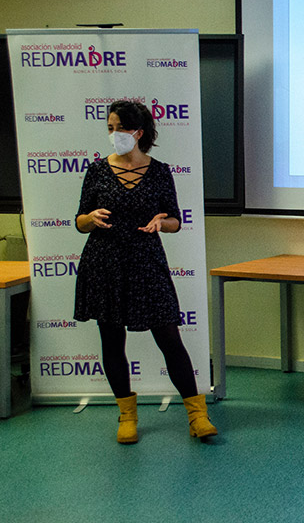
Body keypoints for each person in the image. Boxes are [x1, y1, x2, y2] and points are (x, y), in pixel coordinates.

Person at [74, 100, 217, 444]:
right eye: (109, 128)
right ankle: (127, 416)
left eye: (119, 128)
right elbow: (79, 220)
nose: (113, 134)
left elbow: (175, 221)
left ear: (138, 132)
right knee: (112, 338)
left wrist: (161, 222)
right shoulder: (95, 171)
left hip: (147, 263)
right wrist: (89, 219)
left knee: (169, 338)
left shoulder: (160, 171)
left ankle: (197, 415)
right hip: (105, 263)